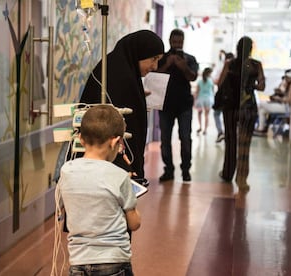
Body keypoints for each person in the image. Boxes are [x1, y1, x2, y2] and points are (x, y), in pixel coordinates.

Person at [57, 105, 141, 276]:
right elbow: (134, 223)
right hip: (114, 261)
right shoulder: (120, 176)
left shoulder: (66, 171)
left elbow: (64, 207)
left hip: (79, 261)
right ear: (115, 142)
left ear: (80, 139)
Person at [80, 30, 164, 186]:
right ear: (139, 52)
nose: (155, 66)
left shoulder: (122, 70)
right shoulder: (119, 75)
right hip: (108, 162)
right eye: (153, 59)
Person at [218, 36, 265, 192]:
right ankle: (242, 179)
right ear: (251, 48)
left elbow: (219, 83)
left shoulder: (230, 64)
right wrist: (250, 85)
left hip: (231, 107)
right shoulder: (256, 65)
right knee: (245, 144)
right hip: (248, 107)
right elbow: (262, 86)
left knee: (230, 141)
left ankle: (227, 173)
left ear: (237, 48)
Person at [156, 29, 199, 182]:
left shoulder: (190, 59)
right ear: (169, 41)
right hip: (165, 105)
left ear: (183, 42)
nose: (177, 45)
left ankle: (186, 170)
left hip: (184, 105)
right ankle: (168, 170)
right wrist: (167, 64)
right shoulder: (161, 58)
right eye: (174, 42)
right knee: (165, 139)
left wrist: (183, 66)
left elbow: (193, 77)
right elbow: (154, 75)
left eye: (179, 42)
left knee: (185, 138)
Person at [254, 69, 291, 135]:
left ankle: (261, 127)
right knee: (262, 110)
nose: (286, 79)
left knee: (261, 104)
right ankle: (261, 128)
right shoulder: (288, 84)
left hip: (287, 108)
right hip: (284, 105)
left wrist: (279, 99)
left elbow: (289, 100)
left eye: (287, 77)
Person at [213, 52, 235, 143]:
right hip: (232, 98)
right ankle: (227, 134)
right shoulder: (237, 69)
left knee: (217, 114)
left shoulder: (221, 68)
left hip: (223, 97)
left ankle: (220, 132)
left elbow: (218, 82)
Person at [194, 67, 214, 135]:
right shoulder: (211, 81)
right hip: (208, 99)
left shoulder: (200, 81)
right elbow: (213, 91)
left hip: (200, 99)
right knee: (206, 115)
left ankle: (200, 127)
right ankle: (205, 129)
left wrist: (195, 100)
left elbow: (197, 92)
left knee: (199, 113)